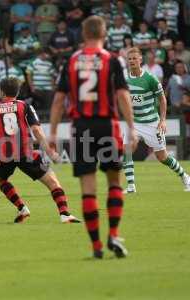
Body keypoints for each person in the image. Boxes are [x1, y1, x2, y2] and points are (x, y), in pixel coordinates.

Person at [49, 16, 138, 259]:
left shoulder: (72, 60)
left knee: (88, 188)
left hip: (81, 128)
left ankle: (97, 247)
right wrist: (131, 127)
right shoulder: (111, 60)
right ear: (104, 33)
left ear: (83, 35)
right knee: (114, 183)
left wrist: (54, 132)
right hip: (107, 126)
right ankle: (114, 234)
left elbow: (58, 100)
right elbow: (122, 95)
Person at [0, 77, 80, 224]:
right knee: (53, 182)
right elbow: (37, 130)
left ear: (1, 92)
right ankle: (64, 213)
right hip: (26, 153)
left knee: (0, 178)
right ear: (18, 91)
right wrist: (50, 152)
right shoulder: (25, 106)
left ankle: (22, 208)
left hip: (4, 156)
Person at [123, 48, 190, 193]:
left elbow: (162, 99)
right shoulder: (125, 80)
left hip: (152, 122)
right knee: (126, 149)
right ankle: (131, 186)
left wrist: (163, 120)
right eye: (130, 59)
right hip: (135, 123)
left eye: (135, 58)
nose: (132, 61)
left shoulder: (150, 78)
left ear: (140, 60)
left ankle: (185, 176)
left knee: (162, 157)